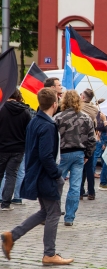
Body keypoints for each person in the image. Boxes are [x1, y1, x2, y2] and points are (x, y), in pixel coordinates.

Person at [1, 88, 73, 265]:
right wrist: (57, 174)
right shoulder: (47, 125)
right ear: (55, 104)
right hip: (46, 175)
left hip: (37, 173)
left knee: (45, 212)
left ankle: (12, 235)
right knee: (54, 213)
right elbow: (46, 155)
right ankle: (49, 254)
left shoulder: (35, 121)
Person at [54, 90, 96, 226]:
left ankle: (52, 213)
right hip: (79, 154)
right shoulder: (86, 117)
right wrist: (88, 154)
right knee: (75, 186)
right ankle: (70, 217)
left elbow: (52, 138)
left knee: (56, 185)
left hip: (62, 154)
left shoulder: (58, 117)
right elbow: (92, 139)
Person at [0, 89, 31, 211]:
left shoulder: (1, 108)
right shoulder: (25, 111)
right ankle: (6, 204)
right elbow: (28, 131)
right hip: (18, 148)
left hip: (2, 147)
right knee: (11, 175)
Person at [79, 89, 100, 198]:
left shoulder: (79, 108)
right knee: (90, 168)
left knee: (81, 167)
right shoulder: (94, 109)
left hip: (81, 140)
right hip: (91, 140)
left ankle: (81, 191)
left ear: (82, 97)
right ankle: (91, 192)